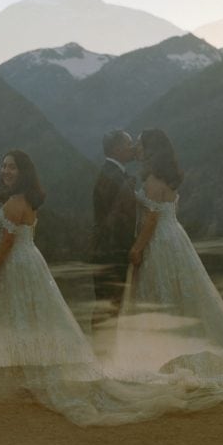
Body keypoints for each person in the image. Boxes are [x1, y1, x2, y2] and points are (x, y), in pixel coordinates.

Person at [113, 128, 223, 372]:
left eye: (142, 145)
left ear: (152, 148)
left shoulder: (154, 180)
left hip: (159, 240)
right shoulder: (168, 177)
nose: (138, 149)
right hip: (174, 236)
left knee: (160, 292)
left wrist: (136, 248)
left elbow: (152, 219)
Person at [0, 150, 95, 372]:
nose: (6, 171)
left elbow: (7, 241)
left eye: (12, 167)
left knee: (16, 313)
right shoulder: (21, 198)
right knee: (32, 312)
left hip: (14, 262)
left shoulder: (16, 202)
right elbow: (5, 228)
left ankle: (20, 366)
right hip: (28, 259)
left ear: (23, 172)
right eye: (4, 165)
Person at [89, 130, 138, 315]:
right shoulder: (113, 177)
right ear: (117, 149)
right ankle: (103, 345)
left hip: (107, 251)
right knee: (108, 307)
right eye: (129, 144)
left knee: (108, 307)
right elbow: (116, 220)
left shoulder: (111, 173)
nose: (132, 148)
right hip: (112, 253)